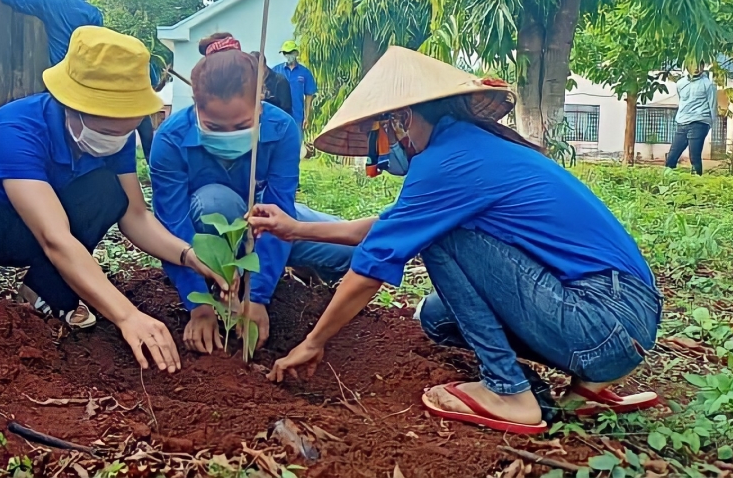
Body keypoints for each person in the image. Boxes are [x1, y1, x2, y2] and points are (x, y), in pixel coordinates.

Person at [250, 47, 662, 434]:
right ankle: (588, 388)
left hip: (603, 320)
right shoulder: (469, 145)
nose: (382, 150)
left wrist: (313, 342)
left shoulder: (446, 163)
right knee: (436, 316)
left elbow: (374, 261)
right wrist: (297, 228)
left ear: (403, 119)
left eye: (381, 133)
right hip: (624, 320)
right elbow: (390, 225)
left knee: (440, 236)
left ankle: (507, 391)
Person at [0, 27, 227, 375]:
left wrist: (188, 255)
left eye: (127, 131)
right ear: (72, 106)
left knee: (107, 191)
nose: (118, 140)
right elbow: (54, 237)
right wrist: (127, 315)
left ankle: (38, 299)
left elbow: (135, 216)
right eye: (109, 131)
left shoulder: (115, 137)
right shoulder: (18, 127)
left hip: (39, 229)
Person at [149, 33, 355, 356]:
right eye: (215, 127)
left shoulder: (283, 130)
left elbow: (280, 213)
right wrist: (196, 306)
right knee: (216, 202)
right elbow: (172, 227)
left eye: (243, 124)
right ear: (196, 106)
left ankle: (280, 274)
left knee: (348, 249)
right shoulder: (170, 141)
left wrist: (257, 297)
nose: (230, 136)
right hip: (205, 233)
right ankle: (219, 288)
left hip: (265, 225)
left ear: (260, 101)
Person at [665, 65, 718, 175]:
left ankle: (696, 183)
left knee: (694, 156)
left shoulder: (708, 85)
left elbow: (713, 106)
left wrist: (709, 124)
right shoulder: (680, 83)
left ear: (703, 67)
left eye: (700, 65)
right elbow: (682, 102)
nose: (696, 68)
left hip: (699, 122)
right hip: (682, 122)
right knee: (671, 157)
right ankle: (666, 182)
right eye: (693, 64)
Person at [272, 40, 317, 131]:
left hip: (297, 117)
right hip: (279, 117)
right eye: (285, 53)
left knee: (296, 144)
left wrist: (307, 117)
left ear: (296, 53)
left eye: (290, 52)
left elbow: (309, 96)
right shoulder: (276, 71)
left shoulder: (304, 72)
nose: (288, 55)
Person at [136, 61, 168, 162]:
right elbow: (154, 85)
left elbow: (154, 85)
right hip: (137, 110)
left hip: (141, 110)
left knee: (148, 143)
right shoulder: (145, 62)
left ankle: (151, 167)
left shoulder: (146, 64)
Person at [251, 50, 294, 118]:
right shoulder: (250, 82)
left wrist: (265, 99)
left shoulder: (280, 81)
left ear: (263, 66)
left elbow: (286, 109)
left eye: (254, 68)